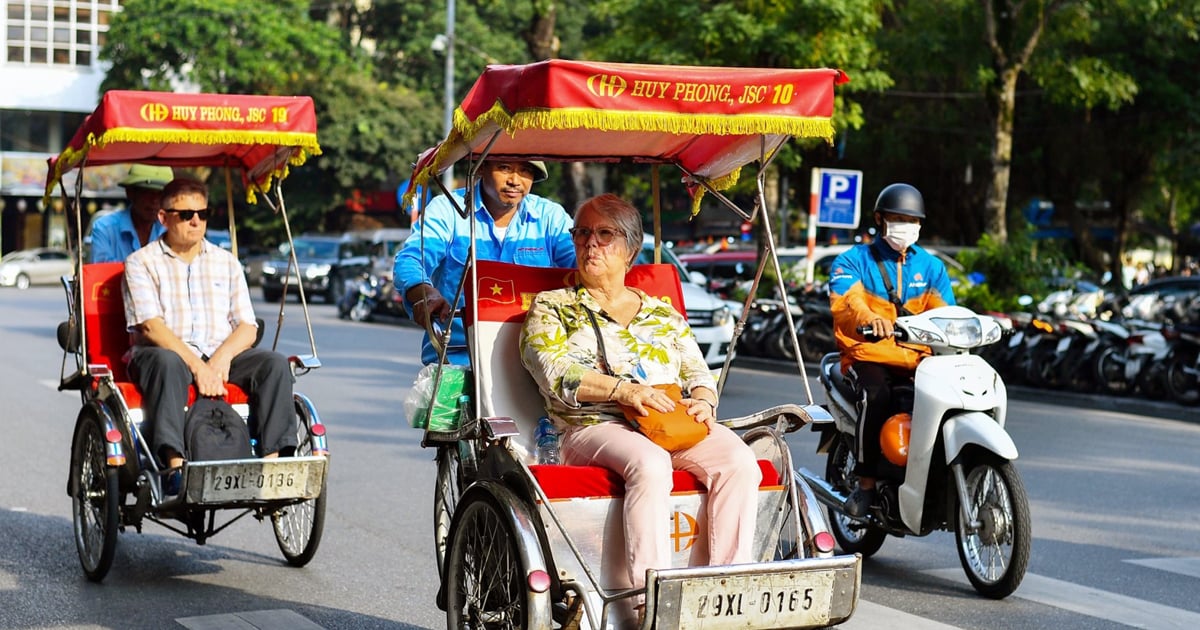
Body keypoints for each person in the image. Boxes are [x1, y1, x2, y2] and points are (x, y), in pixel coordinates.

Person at [520, 193, 761, 608]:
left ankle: (723, 591)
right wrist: (625, 391)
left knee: (740, 463)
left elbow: (699, 374)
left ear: (631, 248)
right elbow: (556, 372)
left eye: (604, 234)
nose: (589, 243)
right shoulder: (552, 306)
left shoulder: (662, 313)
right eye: (582, 233)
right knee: (650, 464)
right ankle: (648, 600)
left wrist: (704, 400)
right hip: (593, 425)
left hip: (669, 419)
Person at [123, 178, 297, 493]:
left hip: (219, 354)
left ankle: (273, 466)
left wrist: (219, 359)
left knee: (274, 363)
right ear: (163, 217)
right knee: (169, 363)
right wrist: (198, 366)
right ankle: (174, 466)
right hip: (163, 354)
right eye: (186, 214)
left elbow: (247, 325)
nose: (195, 221)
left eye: (202, 214)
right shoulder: (141, 262)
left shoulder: (226, 263)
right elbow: (151, 326)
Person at [828, 183, 956, 517]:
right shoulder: (852, 261)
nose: (904, 226)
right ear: (880, 219)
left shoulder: (931, 267)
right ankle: (866, 484)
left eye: (910, 220)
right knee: (878, 395)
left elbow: (946, 312)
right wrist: (869, 318)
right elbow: (846, 302)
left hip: (917, 357)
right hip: (867, 354)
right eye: (897, 218)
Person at [394, 160, 576, 365]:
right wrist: (427, 294)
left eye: (525, 170)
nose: (515, 181)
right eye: (505, 168)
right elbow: (410, 259)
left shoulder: (550, 217)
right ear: (481, 168)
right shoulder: (448, 209)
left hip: (533, 358)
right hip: (459, 356)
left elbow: (580, 265)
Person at [89, 164, 174, 263]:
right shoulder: (105, 228)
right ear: (130, 193)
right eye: (147, 193)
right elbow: (101, 272)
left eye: (161, 194)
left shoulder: (171, 229)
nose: (154, 200)